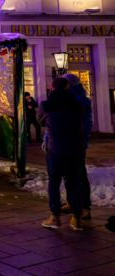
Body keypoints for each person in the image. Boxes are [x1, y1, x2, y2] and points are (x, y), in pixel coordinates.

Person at [38, 77, 84, 231]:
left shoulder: (46, 105)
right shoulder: (76, 105)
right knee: (73, 182)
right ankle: (77, 217)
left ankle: (54, 216)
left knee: (54, 181)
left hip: (55, 148)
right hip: (74, 148)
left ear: (52, 87)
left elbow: (40, 120)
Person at [62, 73, 94, 220]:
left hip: (77, 141)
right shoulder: (66, 97)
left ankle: (85, 206)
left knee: (79, 174)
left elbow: (85, 123)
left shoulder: (80, 100)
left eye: (66, 83)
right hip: (67, 140)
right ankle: (72, 201)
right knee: (68, 173)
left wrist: (83, 138)